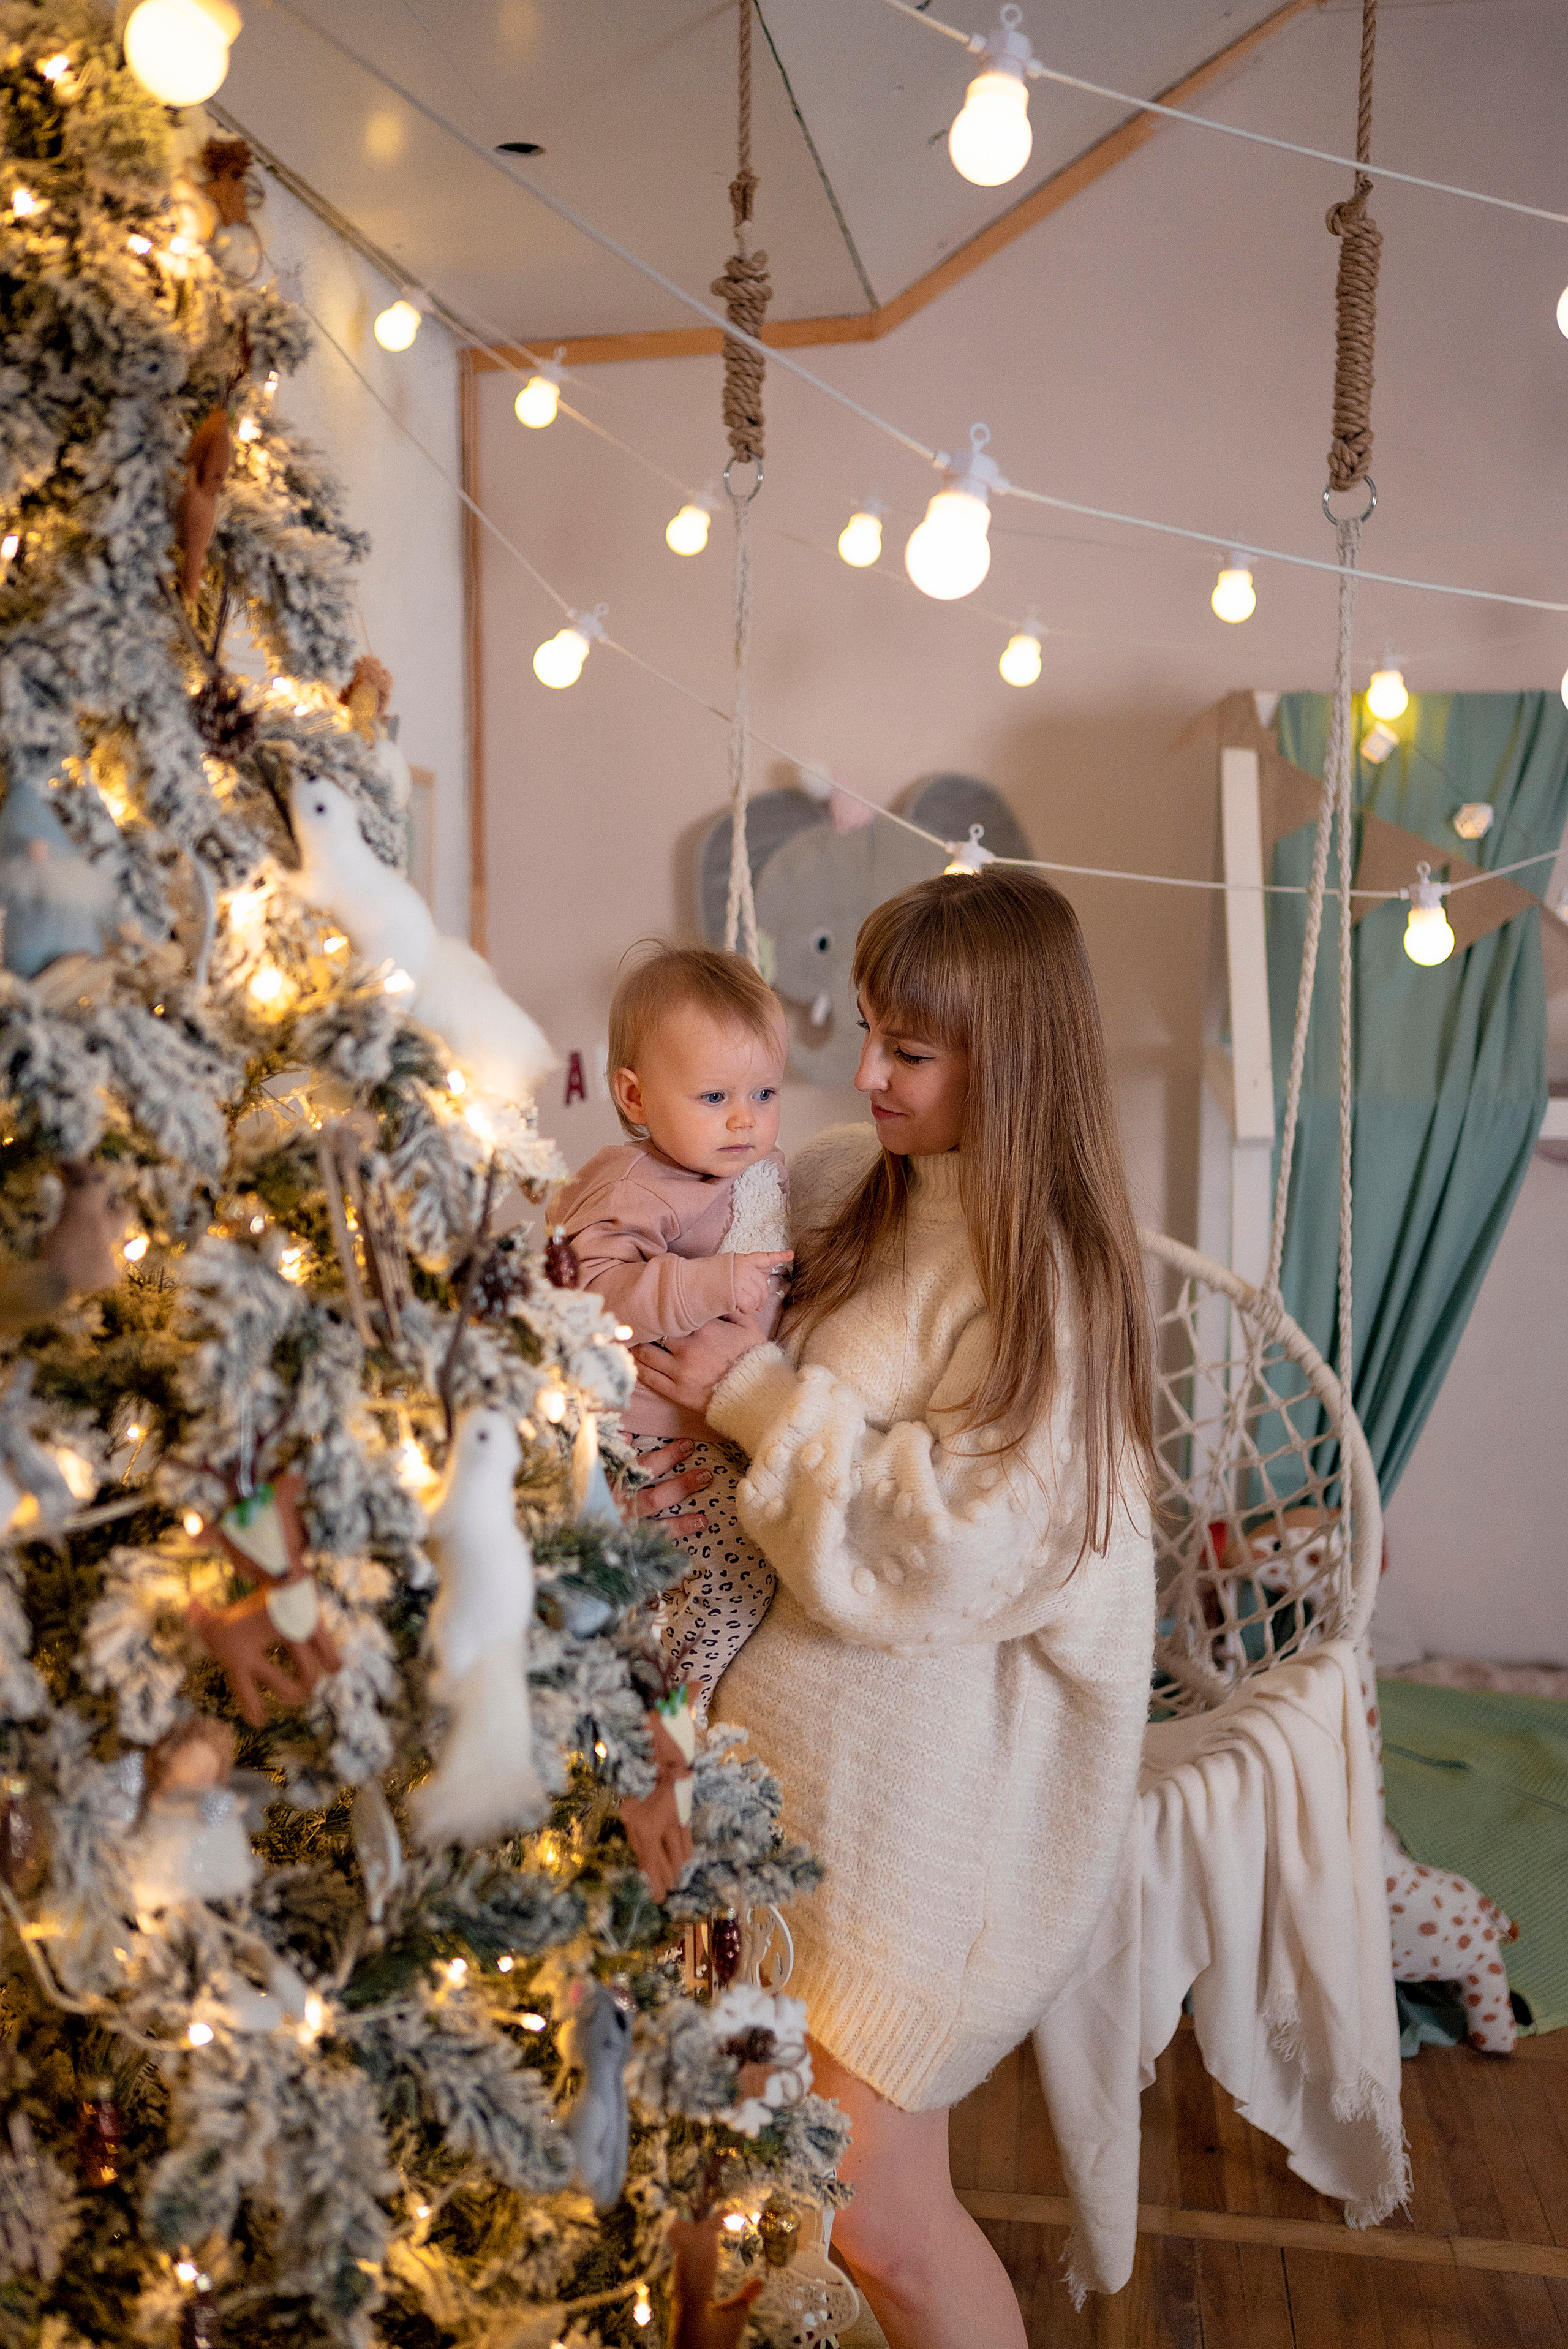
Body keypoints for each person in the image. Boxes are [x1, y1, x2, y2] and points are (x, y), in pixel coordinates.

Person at [631, 871, 1156, 2349]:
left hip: (908, 1828)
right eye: (863, 1031)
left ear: (1009, 1054)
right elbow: (659, 1239)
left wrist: (749, 1396)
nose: (860, 1074)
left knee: (880, 2220)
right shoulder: (836, 1185)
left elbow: (952, 1552)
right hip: (756, 1784)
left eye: (905, 1051)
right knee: (718, 2178)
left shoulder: (1046, 1281)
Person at [553, 946, 794, 1709]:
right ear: (634, 1096)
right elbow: (591, 1293)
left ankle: (666, 1712)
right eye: (714, 1095)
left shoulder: (747, 1174)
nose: (743, 1119)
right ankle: (664, 1721)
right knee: (726, 1581)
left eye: (763, 1092)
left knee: (744, 1576)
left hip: (712, 1430)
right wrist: (710, 1284)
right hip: (641, 1443)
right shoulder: (633, 1185)